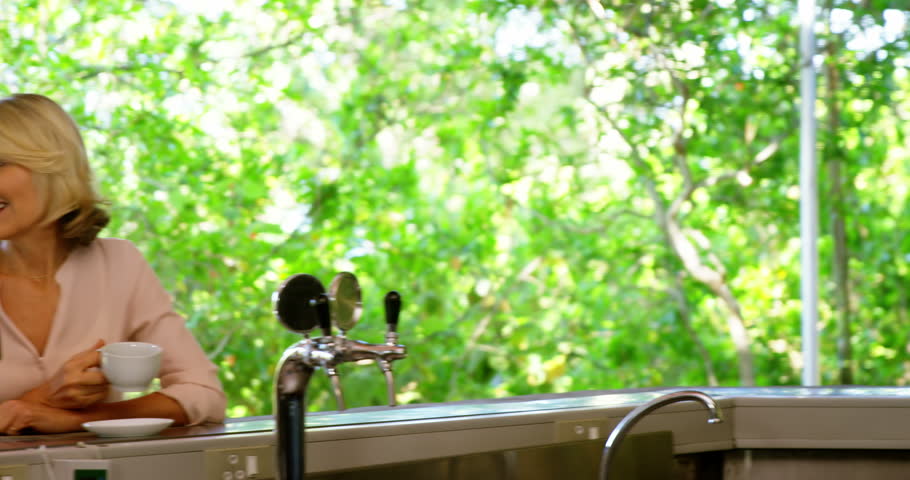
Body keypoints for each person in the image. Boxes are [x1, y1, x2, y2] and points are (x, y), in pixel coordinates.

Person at [0, 93, 226, 434]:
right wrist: (47, 397)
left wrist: (80, 419)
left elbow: (204, 394)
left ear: (52, 166)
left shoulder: (119, 265)